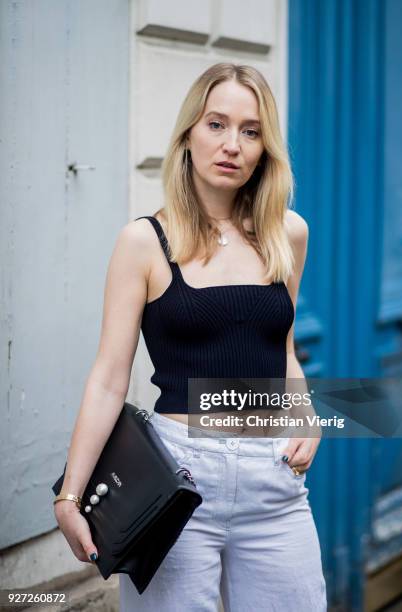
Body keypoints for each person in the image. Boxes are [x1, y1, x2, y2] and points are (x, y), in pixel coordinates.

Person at [54, 62, 327, 611]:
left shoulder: (287, 234)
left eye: (251, 131)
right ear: (187, 136)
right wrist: (70, 495)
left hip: (273, 484)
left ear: (265, 148)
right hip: (178, 483)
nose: (233, 145)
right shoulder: (144, 242)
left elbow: (285, 350)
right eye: (216, 124)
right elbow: (110, 378)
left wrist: (306, 418)